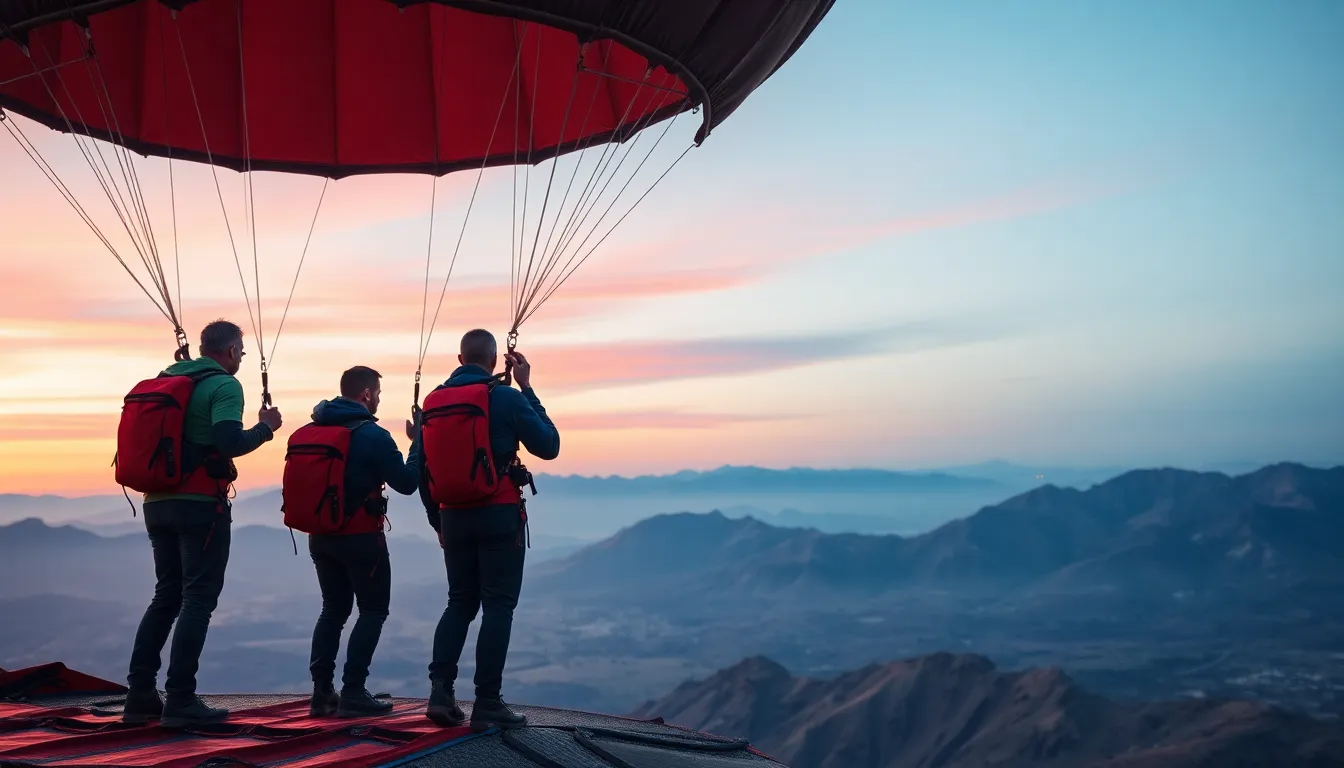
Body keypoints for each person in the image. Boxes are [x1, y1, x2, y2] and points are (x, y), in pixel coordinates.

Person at [123, 320, 283, 727]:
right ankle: (180, 699)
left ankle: (140, 695)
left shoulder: (170, 377)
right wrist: (267, 428)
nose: (242, 359)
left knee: (166, 596)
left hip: (156, 502)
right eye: (242, 353)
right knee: (198, 598)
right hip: (198, 505)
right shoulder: (224, 386)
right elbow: (230, 441)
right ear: (230, 351)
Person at [420, 329, 560, 730]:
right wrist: (527, 388)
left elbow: (423, 470)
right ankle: (487, 703)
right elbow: (548, 445)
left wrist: (439, 522)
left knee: (459, 602)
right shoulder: (506, 396)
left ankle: (440, 692)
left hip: (453, 517)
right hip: (498, 513)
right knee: (498, 605)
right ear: (496, 361)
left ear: (460, 359)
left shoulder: (433, 402)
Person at [301, 366, 422, 718]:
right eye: (378, 393)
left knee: (333, 610)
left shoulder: (312, 430)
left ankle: (321, 693)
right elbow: (408, 482)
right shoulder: (374, 436)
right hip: (360, 538)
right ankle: (353, 690)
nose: (379, 399)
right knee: (372, 610)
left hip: (319, 536)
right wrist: (417, 444)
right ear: (366, 394)